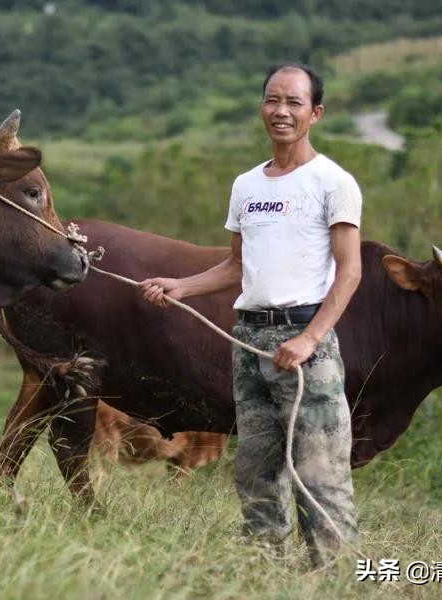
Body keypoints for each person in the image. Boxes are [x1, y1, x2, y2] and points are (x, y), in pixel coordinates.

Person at [140, 63, 362, 567]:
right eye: (272, 100)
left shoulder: (333, 182)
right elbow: (238, 267)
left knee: (319, 472)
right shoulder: (246, 186)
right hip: (250, 340)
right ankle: (261, 569)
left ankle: (334, 575)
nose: (280, 111)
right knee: (255, 468)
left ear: (316, 113)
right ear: (262, 106)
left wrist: (309, 338)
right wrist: (182, 286)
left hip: (306, 344)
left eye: (294, 103)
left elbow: (349, 273)